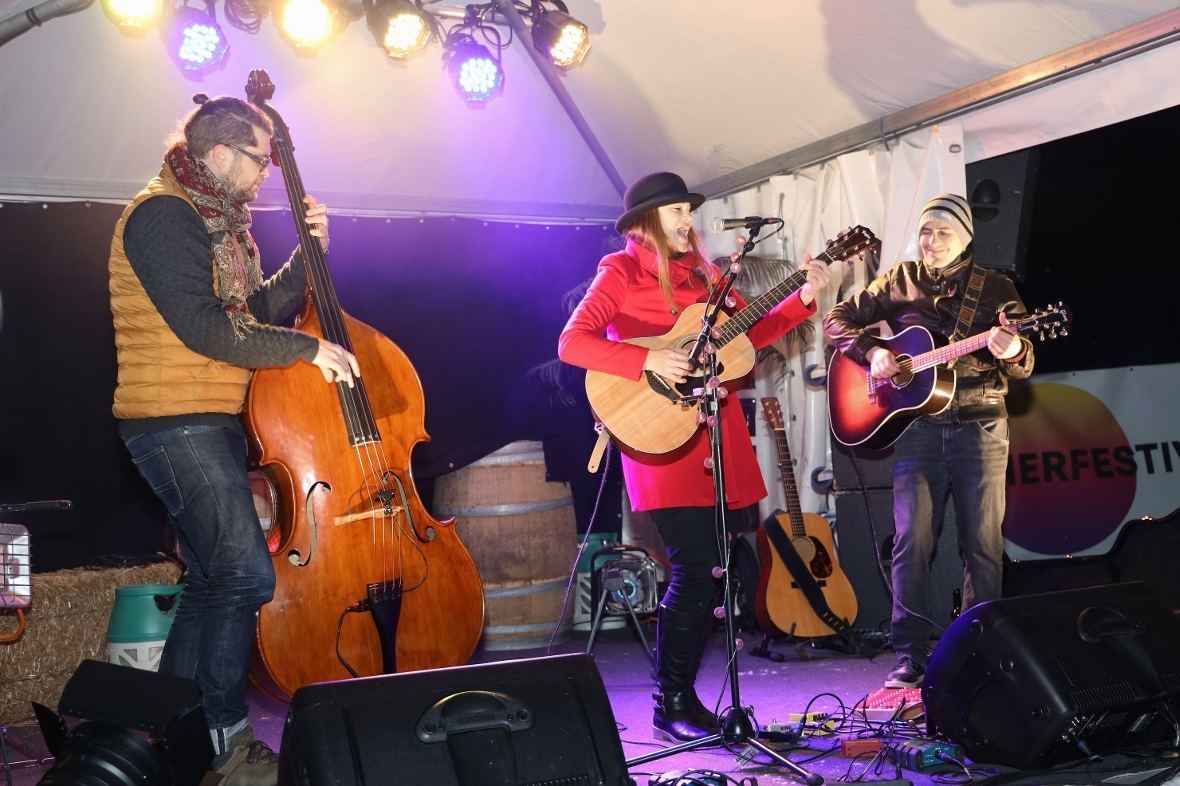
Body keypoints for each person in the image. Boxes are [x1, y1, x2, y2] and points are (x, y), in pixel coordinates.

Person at [108, 94, 359, 785]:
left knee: (215, 578)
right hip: (171, 420)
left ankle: (174, 733)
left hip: (203, 418)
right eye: (261, 158)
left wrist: (310, 256)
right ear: (220, 155)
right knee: (246, 574)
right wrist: (307, 348)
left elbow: (248, 315)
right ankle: (226, 741)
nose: (267, 173)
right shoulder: (164, 215)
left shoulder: (216, 221)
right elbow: (205, 328)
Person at [558, 172, 830, 741]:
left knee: (716, 568)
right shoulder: (622, 271)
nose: (687, 221)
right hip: (657, 436)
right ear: (643, 223)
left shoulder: (707, 275)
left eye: (689, 210)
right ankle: (671, 704)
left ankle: (693, 701)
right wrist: (648, 362)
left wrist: (804, 296)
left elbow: (747, 335)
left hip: (715, 433)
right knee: (695, 565)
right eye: (675, 211)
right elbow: (573, 341)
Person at [823, 193, 1034, 689]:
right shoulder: (898, 280)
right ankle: (910, 657)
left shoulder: (997, 286)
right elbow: (837, 321)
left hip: (980, 425)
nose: (930, 241)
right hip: (917, 428)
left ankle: (983, 648)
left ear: (964, 237)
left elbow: (1024, 364)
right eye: (925, 231)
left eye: (942, 232)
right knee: (911, 542)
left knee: (982, 544)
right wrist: (872, 350)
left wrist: (1014, 347)